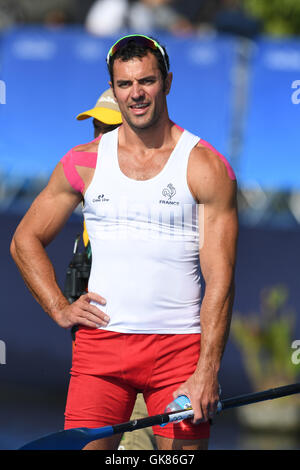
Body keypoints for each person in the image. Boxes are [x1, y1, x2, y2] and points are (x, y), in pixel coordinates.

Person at [10, 34, 238, 450]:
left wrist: (207, 370)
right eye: (125, 84)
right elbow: (25, 239)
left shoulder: (205, 165)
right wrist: (60, 308)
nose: (136, 94)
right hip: (101, 350)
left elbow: (220, 280)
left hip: (180, 351)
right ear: (114, 89)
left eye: (146, 81)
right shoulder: (84, 160)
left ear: (167, 82)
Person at [66, 87, 156, 450]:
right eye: (95, 128)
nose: (98, 140)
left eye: (108, 129)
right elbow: (24, 240)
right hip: (99, 360)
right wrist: (62, 307)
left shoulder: (156, 198)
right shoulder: (91, 187)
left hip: (148, 360)